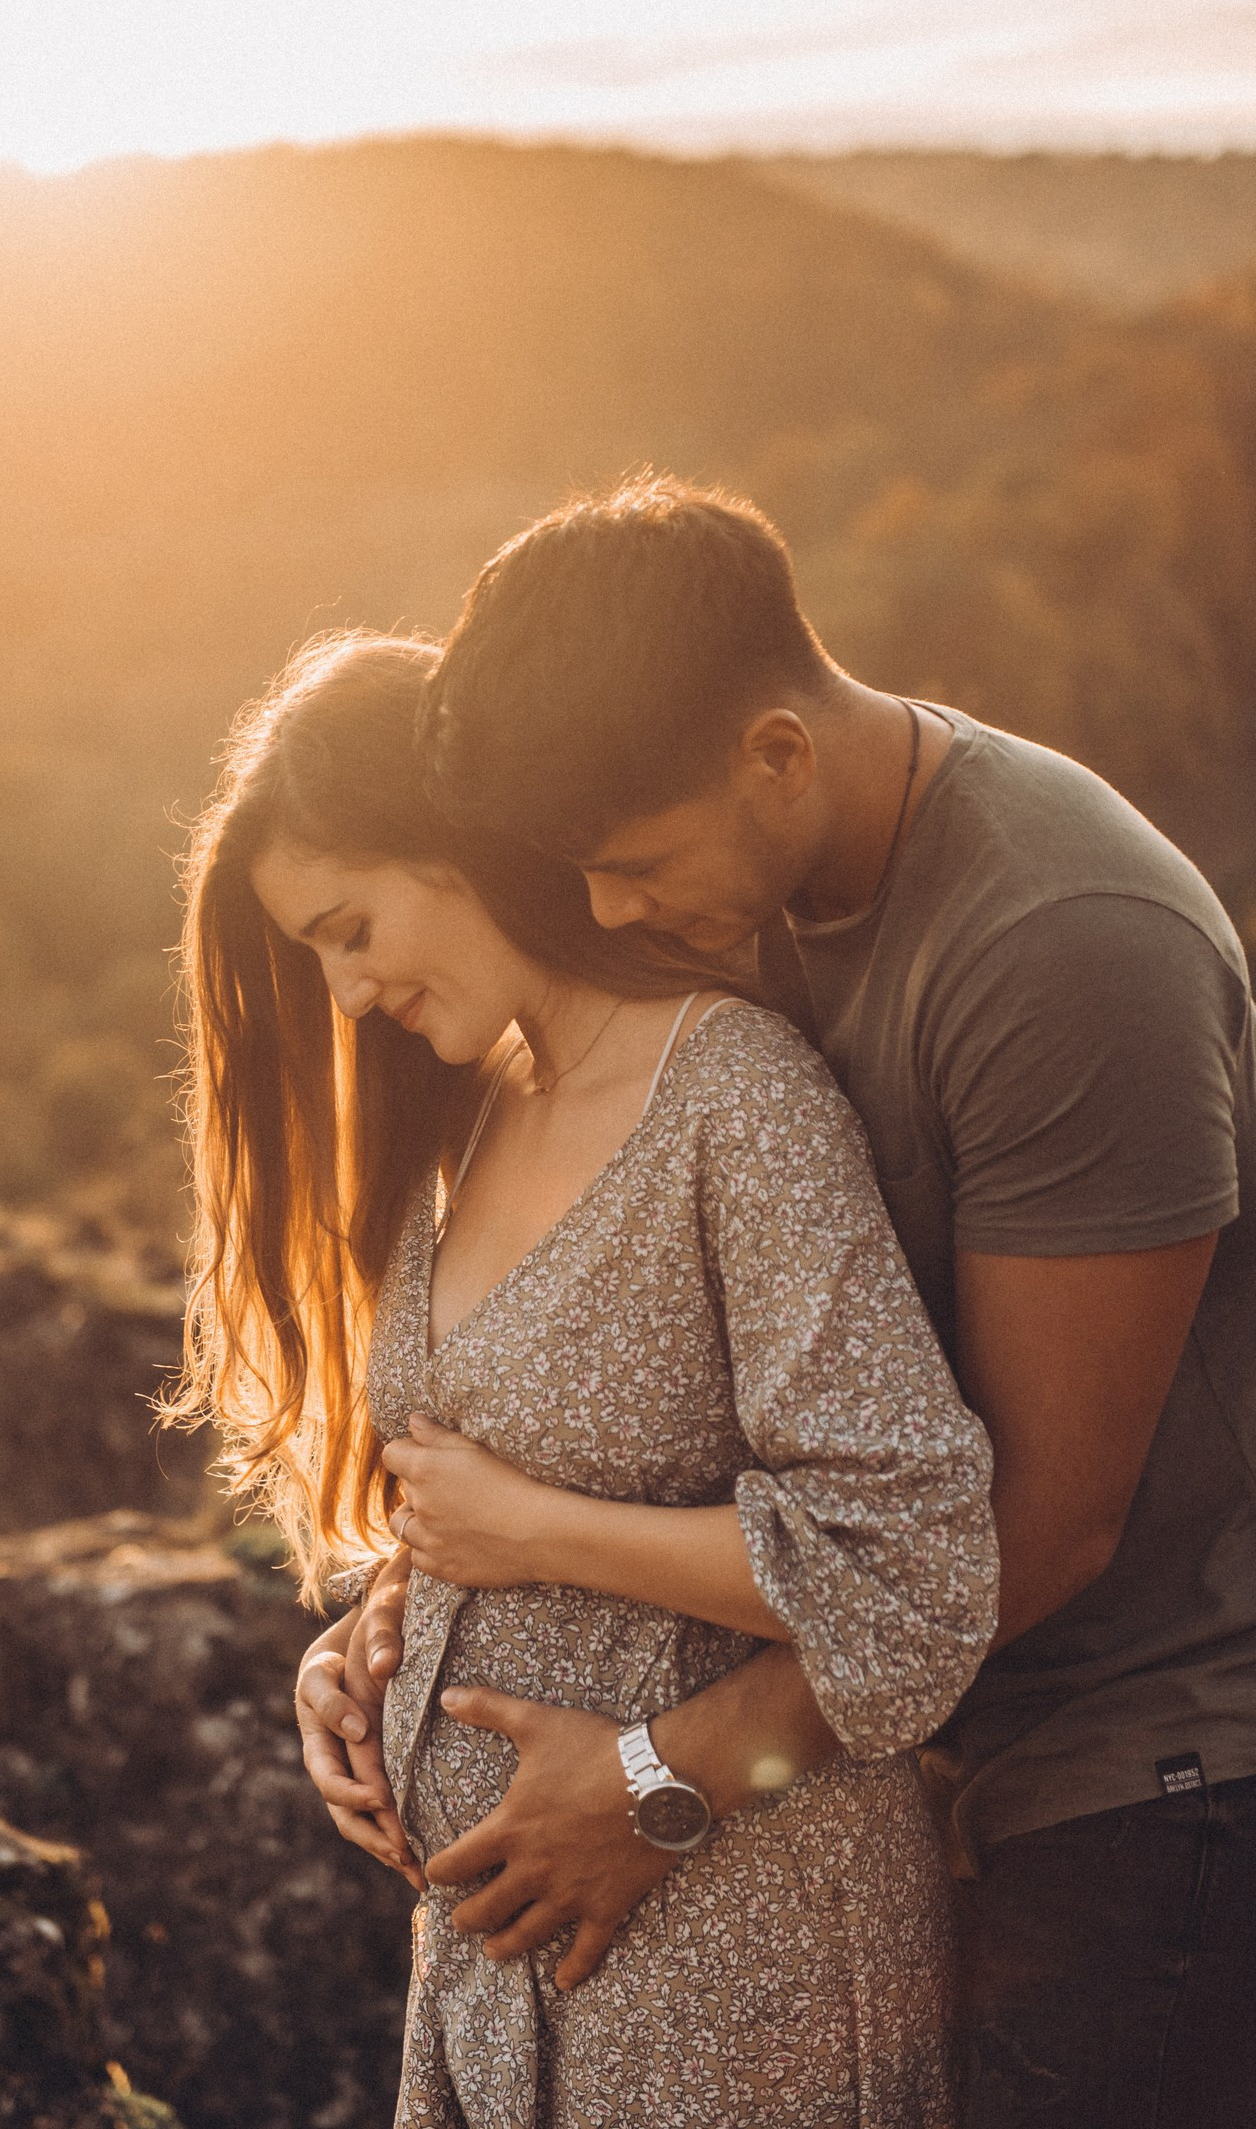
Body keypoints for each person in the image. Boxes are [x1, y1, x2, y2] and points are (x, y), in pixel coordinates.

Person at [301, 477, 1256, 2129]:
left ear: (778, 753)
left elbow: (1034, 1535)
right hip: (925, 1773)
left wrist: (660, 1781)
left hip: (1147, 1783)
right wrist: (411, 1610)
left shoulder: (1065, 944)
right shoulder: (752, 894)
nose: (608, 914)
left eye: (633, 865)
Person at [174, 630, 998, 2127]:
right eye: (315, 957)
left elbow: (913, 1568)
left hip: (736, 1965)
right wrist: (374, 1645)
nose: (344, 994)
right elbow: (488, 1490)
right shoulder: (466, 1121)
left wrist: (536, 1539)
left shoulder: (733, 1098)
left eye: (352, 929)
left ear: (457, 842)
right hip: (502, 1988)